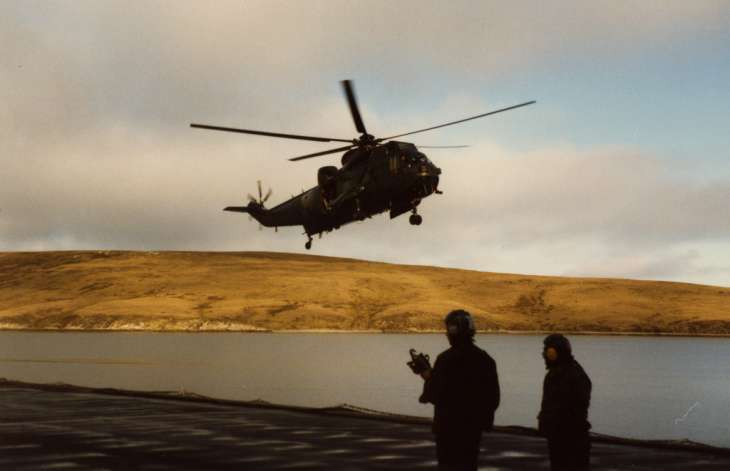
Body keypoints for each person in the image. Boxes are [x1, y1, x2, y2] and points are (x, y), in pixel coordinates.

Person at [417, 309, 500, 471]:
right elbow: (493, 398)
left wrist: (428, 377)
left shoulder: (445, 359)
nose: (446, 334)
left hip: (447, 428)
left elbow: (435, 395)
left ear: (453, 331)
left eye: (449, 329)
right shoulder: (485, 359)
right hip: (473, 430)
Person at [538, 334, 592, 471]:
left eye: (547, 351)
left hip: (568, 438)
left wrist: (548, 422)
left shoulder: (568, 375)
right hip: (562, 437)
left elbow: (568, 408)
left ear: (554, 353)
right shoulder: (561, 373)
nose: (544, 355)